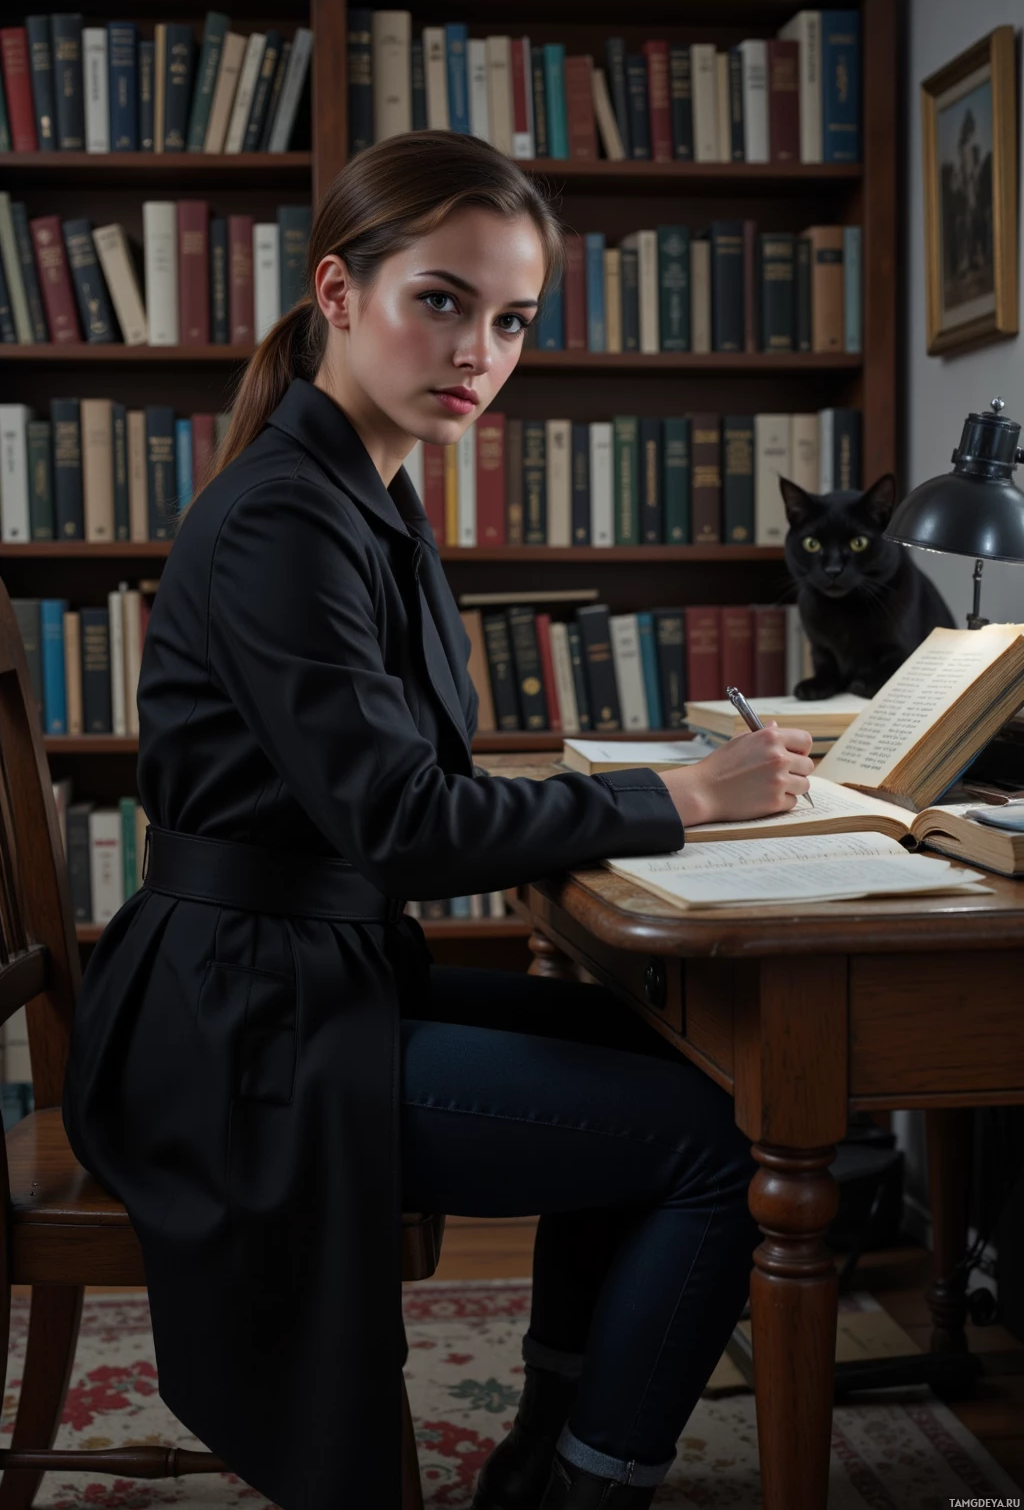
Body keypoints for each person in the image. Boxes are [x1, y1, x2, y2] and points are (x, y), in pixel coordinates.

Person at [61, 130, 816, 1510]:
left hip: (296, 980)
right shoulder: (290, 516)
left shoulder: (368, 491)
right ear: (342, 294)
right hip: (238, 1034)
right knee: (714, 1150)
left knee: (699, 1074)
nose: (481, 349)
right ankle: (580, 1484)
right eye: (444, 300)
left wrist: (663, 802)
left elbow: (394, 796)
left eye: (513, 318)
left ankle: (549, 1449)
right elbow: (402, 822)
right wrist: (686, 797)